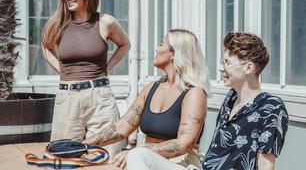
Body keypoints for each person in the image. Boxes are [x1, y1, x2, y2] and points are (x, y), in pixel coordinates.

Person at [84, 29, 210, 169]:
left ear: (174, 53)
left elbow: (184, 143)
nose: (156, 49)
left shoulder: (194, 93)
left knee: (135, 157)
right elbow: (122, 126)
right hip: (143, 159)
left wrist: (139, 152)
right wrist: (84, 144)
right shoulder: (152, 88)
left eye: (161, 44)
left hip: (179, 163)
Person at [42, 0, 130, 157]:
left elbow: (125, 45)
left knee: (105, 157)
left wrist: (106, 68)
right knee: (64, 157)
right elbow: (46, 48)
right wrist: (62, 71)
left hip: (100, 98)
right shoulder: (58, 23)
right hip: (68, 98)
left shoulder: (105, 22)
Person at [202, 32, 288, 170]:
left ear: (249, 67)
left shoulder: (271, 107)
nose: (220, 68)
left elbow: (266, 164)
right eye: (222, 62)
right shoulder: (231, 97)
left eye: (227, 63)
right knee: (152, 159)